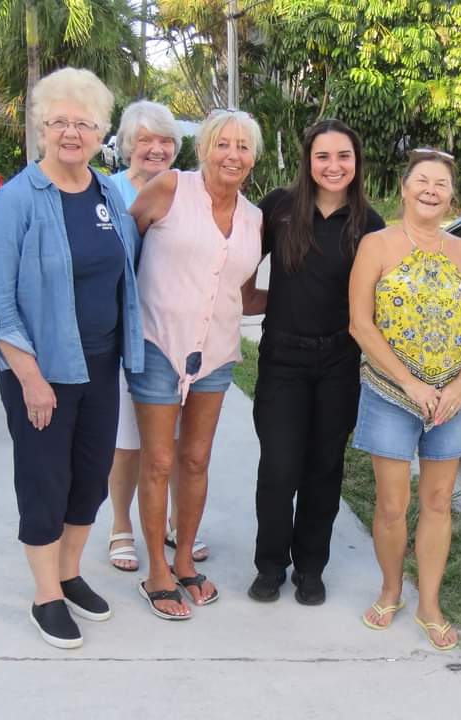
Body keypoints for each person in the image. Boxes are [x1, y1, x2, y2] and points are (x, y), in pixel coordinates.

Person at [0, 67, 144, 649]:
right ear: (42, 127)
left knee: (90, 480)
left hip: (101, 366)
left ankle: (70, 572)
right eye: (59, 122)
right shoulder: (14, 202)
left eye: (84, 122)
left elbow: (124, 270)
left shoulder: (106, 194)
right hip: (41, 373)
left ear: (101, 131)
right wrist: (29, 377)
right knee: (45, 481)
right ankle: (45, 595)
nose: (71, 132)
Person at [349, 149, 461, 650]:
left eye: (442, 184)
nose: (432, 190)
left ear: (452, 196)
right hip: (391, 393)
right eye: (423, 181)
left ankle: (429, 602)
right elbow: (360, 324)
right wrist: (410, 383)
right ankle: (390, 590)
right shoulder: (376, 244)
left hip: (451, 398)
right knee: (391, 503)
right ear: (404, 188)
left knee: (437, 501)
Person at [128, 109, 264, 619]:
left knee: (196, 459)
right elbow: (125, 250)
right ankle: (156, 573)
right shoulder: (168, 189)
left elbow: (244, 293)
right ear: (205, 148)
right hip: (158, 343)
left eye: (243, 146)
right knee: (159, 459)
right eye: (223, 144)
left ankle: (184, 561)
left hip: (217, 353)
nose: (233, 154)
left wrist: (312, 297)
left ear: (253, 157)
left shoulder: (254, 218)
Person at [245, 120, 385, 605]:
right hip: (283, 358)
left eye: (343, 156)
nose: (333, 166)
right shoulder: (279, 209)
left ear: (356, 162)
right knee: (280, 468)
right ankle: (269, 565)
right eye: (323, 156)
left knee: (324, 468)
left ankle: (310, 568)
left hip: (339, 363)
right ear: (308, 161)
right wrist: (266, 302)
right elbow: (241, 267)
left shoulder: (369, 224)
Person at [104, 101, 212, 572]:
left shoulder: (189, 189)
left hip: (182, 337)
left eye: (165, 140)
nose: (156, 148)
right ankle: (121, 526)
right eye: (145, 139)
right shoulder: (107, 191)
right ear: (128, 144)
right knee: (130, 439)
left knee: (177, 440)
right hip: (126, 333)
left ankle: (173, 522)